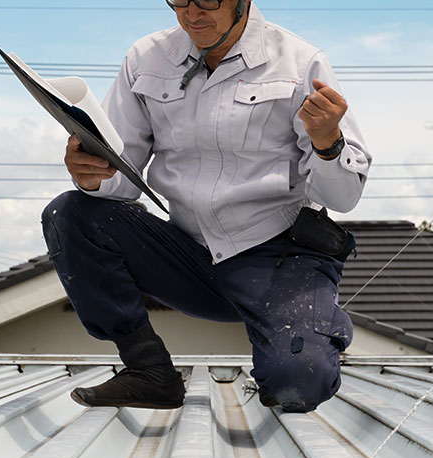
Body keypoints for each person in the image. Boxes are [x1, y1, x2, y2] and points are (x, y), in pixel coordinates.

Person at [40, 0, 371, 413]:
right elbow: (122, 185)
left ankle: (313, 330)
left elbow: (342, 198)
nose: (192, 13)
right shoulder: (145, 59)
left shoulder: (301, 63)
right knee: (70, 212)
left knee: (297, 384)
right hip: (188, 256)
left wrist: (328, 142)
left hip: (279, 260)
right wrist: (91, 175)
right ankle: (149, 371)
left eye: (208, 0)